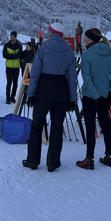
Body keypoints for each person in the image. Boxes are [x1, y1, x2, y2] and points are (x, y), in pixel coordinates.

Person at [23, 22, 77, 172]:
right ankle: (53, 163)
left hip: (43, 92)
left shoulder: (43, 49)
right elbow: (72, 78)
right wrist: (73, 99)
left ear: (51, 34)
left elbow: (34, 74)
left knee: (36, 127)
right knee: (57, 128)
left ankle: (32, 161)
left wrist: (31, 94)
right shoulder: (69, 51)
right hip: (61, 93)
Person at [76, 28, 111, 169]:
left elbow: (87, 79)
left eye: (86, 37)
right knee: (106, 125)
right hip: (106, 96)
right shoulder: (110, 54)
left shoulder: (87, 55)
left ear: (91, 39)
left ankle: (89, 159)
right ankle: (109, 156)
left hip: (91, 96)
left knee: (90, 128)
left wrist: (96, 96)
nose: (83, 40)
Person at [3, 31, 22, 104]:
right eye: (10, 36)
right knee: (9, 83)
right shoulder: (6, 45)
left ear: (15, 37)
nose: (11, 37)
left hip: (16, 66)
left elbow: (20, 55)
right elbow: (4, 55)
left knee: (15, 83)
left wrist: (10, 55)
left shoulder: (19, 46)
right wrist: (14, 55)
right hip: (8, 66)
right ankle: (7, 98)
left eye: (13, 36)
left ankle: (12, 97)